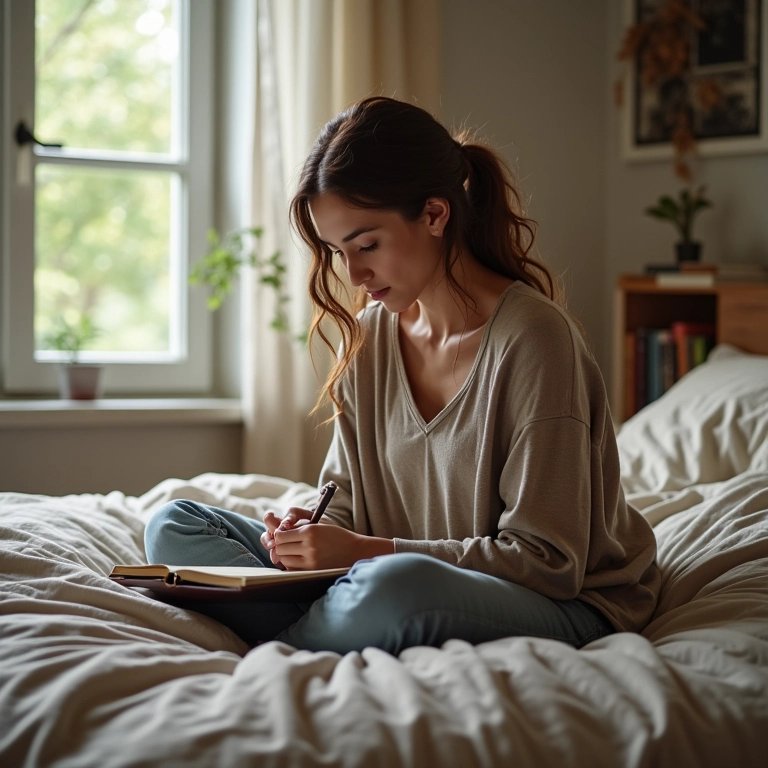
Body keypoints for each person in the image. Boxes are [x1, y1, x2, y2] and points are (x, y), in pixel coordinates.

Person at [144, 96, 660, 655]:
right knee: (177, 524)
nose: (355, 274)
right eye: (338, 252)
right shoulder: (370, 338)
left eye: (367, 245)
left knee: (392, 589)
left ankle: (300, 635)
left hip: (564, 602)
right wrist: (308, 532)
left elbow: (547, 561)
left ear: (436, 215)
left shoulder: (535, 340)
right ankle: (333, 624)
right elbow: (345, 502)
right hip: (385, 577)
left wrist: (365, 553)